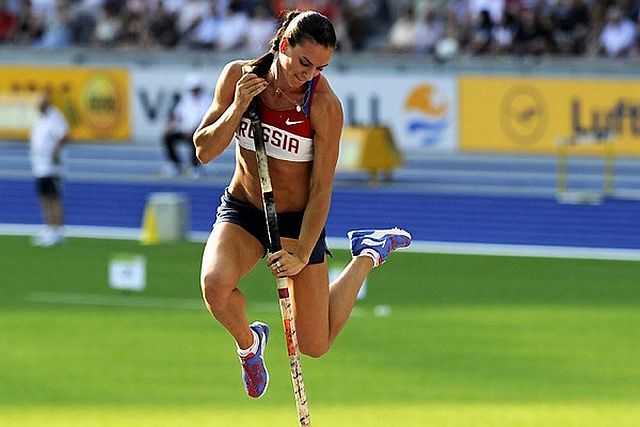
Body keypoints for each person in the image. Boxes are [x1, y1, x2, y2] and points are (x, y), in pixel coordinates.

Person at [193, 10, 411, 399]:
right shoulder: (238, 77)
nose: (308, 74)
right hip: (244, 210)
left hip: (297, 221)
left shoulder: (324, 106)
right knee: (214, 285)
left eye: (319, 67)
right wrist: (238, 105)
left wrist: (301, 254)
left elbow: (322, 189)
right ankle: (249, 345)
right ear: (282, 46)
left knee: (315, 344)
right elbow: (204, 150)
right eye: (304, 62)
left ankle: (368, 254)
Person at [29, 94, 69, 247]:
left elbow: (63, 135)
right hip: (39, 165)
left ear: (47, 103)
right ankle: (49, 228)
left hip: (51, 166)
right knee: (43, 198)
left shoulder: (54, 116)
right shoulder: (40, 118)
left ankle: (58, 231)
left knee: (54, 198)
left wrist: (55, 152)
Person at [162, 72, 211, 178]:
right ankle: (175, 164)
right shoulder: (187, 99)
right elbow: (178, 115)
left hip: (199, 132)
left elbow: (206, 120)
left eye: (196, 89)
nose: (194, 92)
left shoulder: (207, 101)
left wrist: (194, 130)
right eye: (192, 89)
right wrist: (168, 127)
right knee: (167, 137)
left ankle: (195, 166)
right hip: (185, 131)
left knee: (196, 138)